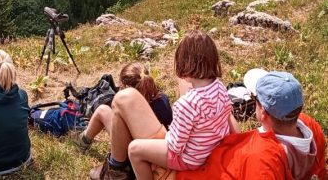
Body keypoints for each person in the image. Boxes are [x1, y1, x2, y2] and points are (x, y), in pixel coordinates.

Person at [91, 31, 231, 180]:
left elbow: (175, 146)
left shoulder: (185, 104)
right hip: (208, 150)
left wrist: (165, 135)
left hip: (189, 160)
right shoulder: (220, 88)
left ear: (184, 64)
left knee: (134, 149)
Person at [177, 69, 326, 180]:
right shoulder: (309, 126)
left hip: (196, 173)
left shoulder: (261, 159)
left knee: (184, 78)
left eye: (255, 98)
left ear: (263, 113)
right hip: (226, 154)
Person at [76, 62, 173, 150]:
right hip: (161, 149)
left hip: (133, 152)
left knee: (102, 110)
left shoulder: (130, 107)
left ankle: (83, 141)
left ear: (126, 87)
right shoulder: (162, 99)